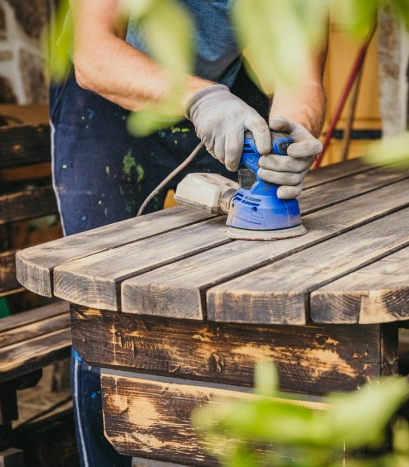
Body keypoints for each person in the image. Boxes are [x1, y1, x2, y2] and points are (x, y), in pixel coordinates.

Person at [49, 1, 326, 464]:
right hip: (108, 94)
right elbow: (93, 52)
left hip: (224, 92)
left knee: (248, 291)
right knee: (105, 316)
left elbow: (303, 76)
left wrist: (295, 132)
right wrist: (200, 98)